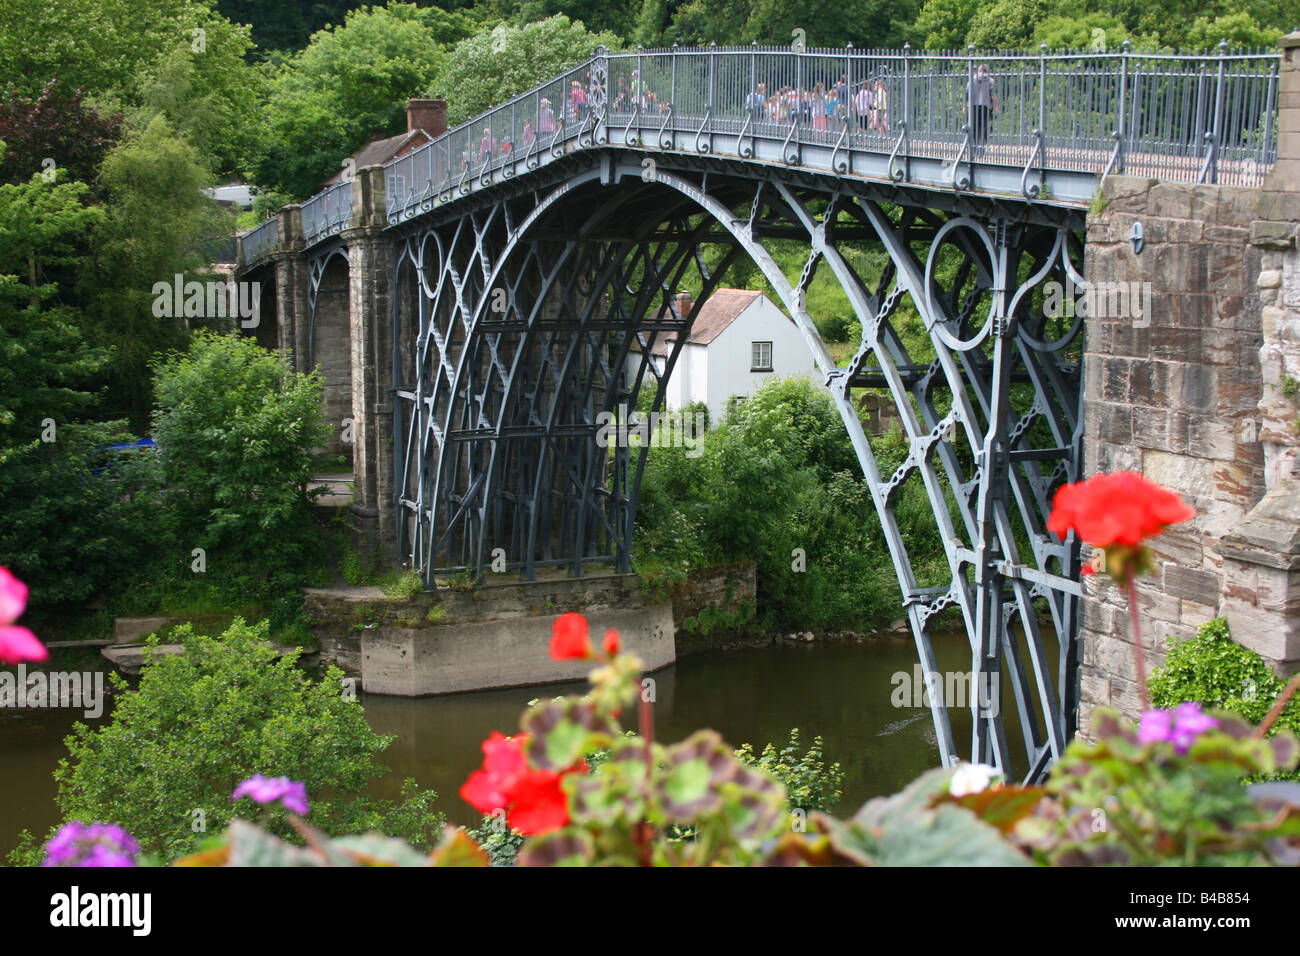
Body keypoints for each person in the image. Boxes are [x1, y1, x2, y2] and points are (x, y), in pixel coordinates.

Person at [966, 63, 998, 149]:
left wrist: (965, 106)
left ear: (979, 70)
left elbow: (966, 93)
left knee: (973, 125)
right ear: (987, 71)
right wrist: (996, 106)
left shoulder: (972, 79)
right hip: (985, 105)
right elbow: (992, 94)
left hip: (973, 105)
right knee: (984, 124)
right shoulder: (990, 80)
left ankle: (972, 144)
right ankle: (984, 143)